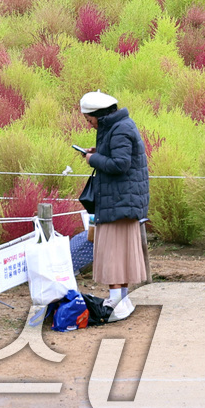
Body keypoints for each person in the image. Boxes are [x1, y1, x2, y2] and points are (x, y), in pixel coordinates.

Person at [80, 90, 149, 321]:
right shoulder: (119, 126)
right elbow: (119, 156)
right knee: (121, 255)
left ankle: (115, 301)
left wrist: (93, 160)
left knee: (112, 255)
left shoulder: (119, 128)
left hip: (119, 202)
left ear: (98, 115)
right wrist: (98, 152)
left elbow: (120, 164)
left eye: (89, 120)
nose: (90, 125)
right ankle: (122, 300)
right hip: (121, 201)